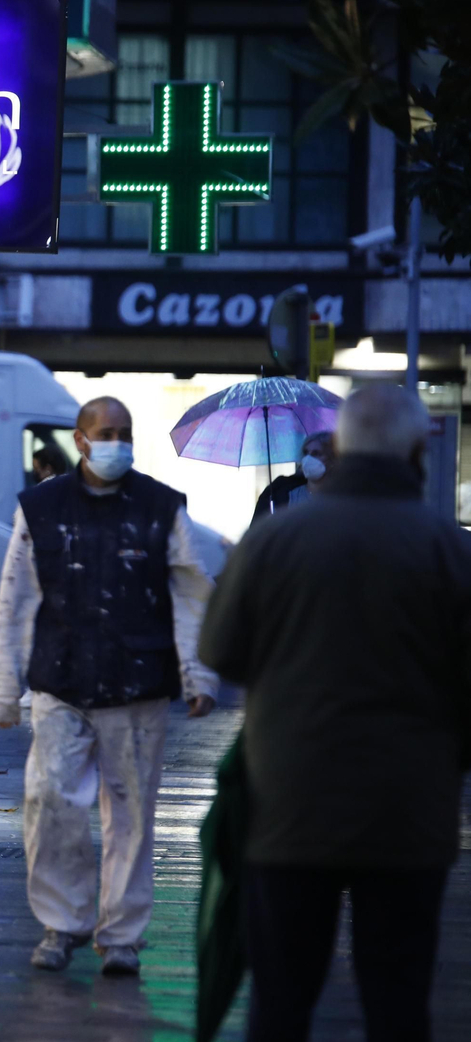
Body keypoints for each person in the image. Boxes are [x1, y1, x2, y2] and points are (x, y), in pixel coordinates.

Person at [199, 384, 471, 1042]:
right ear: (416, 451)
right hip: (410, 814)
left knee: (283, 1002)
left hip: (289, 808)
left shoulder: (275, 540)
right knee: (398, 1001)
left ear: (340, 447)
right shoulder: (451, 549)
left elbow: (223, 654)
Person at [0, 396, 219, 976]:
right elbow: (15, 599)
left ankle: (121, 937)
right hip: (60, 682)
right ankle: (62, 923)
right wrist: (2, 687)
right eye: (106, 431)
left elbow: (192, 593)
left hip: (137, 684)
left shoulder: (161, 507)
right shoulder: (40, 508)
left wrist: (199, 673)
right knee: (50, 803)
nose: (118, 440)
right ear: (81, 439)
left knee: (132, 817)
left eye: (125, 431)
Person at [251, 430, 333, 521]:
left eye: (316, 453)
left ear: (332, 459)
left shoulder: (344, 498)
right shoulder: (282, 495)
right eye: (306, 453)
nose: (308, 458)